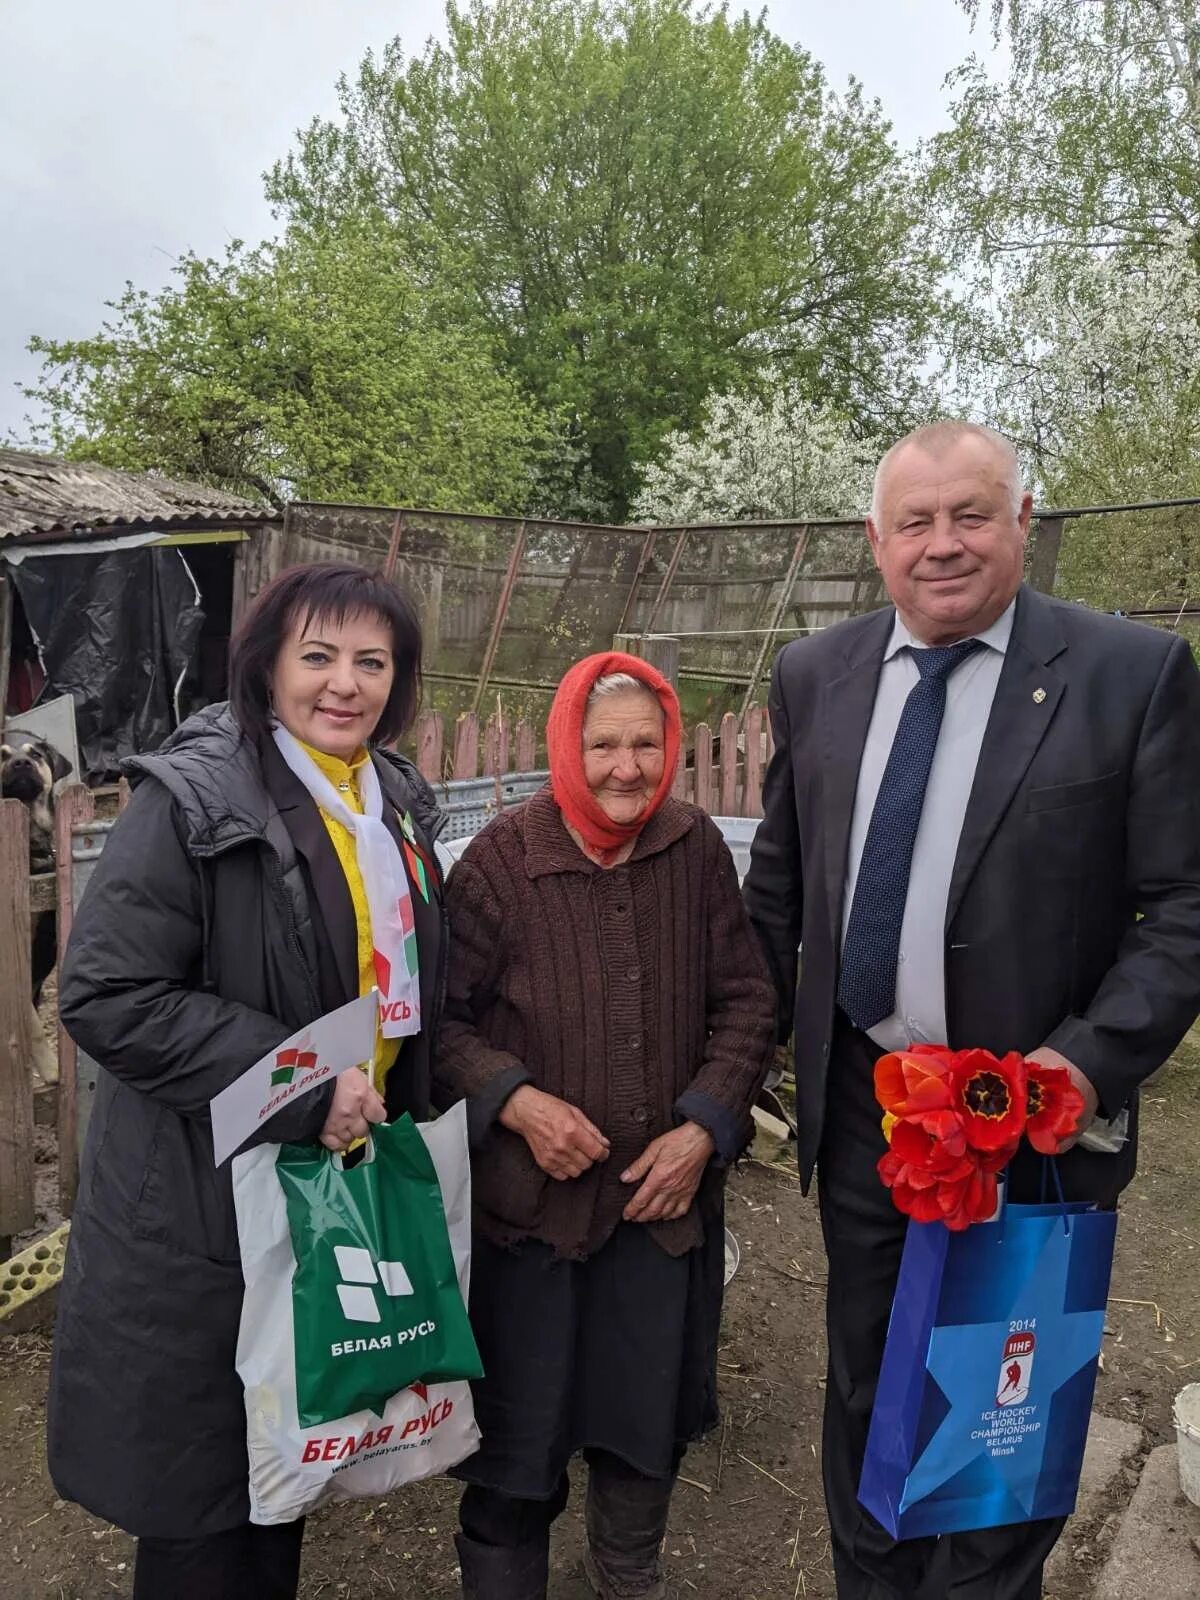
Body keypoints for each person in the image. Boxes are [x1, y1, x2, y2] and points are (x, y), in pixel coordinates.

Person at [743, 420, 1200, 1600]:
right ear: (875, 539)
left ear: (1022, 521)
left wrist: (1081, 1067)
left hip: (1033, 1132)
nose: (942, 545)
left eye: (970, 515)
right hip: (868, 1110)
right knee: (866, 1387)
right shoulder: (814, 675)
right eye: (915, 521)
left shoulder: (1129, 674)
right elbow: (781, 891)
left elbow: (1183, 903)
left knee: (1004, 1410)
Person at [47, 561, 447, 1600]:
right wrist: (309, 1086)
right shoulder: (192, 797)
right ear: (267, 665)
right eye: (317, 656)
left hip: (321, 1187)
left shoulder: (389, 798)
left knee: (283, 1465)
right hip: (201, 1200)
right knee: (201, 1497)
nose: (343, 683)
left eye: (371, 660)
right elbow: (106, 992)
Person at [435, 651, 775, 1600]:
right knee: (515, 1453)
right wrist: (516, 1100)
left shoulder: (693, 846)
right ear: (565, 748)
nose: (626, 767)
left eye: (645, 744)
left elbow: (747, 1002)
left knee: (640, 1438)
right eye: (602, 746)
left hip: (655, 1218)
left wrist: (705, 1124)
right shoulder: (506, 859)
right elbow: (439, 1023)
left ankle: (628, 1579)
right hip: (529, 1223)